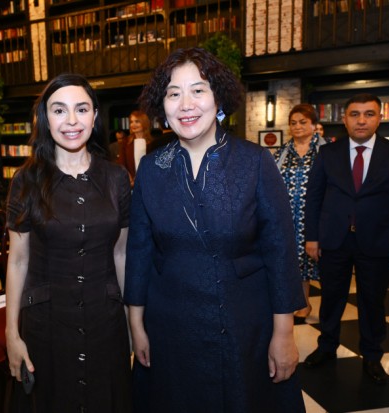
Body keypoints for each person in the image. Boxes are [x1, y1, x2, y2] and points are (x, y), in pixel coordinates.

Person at [124, 47, 306, 412]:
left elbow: (280, 251)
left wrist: (284, 332)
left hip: (243, 327)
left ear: (218, 97)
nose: (186, 104)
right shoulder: (151, 169)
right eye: (174, 94)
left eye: (198, 90)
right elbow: (139, 251)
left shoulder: (255, 162)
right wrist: (136, 325)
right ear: (163, 106)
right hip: (170, 328)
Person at [5, 73, 132, 412]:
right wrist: (11, 333)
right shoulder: (26, 180)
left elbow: (121, 253)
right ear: (45, 119)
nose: (72, 120)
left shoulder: (116, 178)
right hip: (47, 322)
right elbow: (18, 260)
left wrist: (132, 323)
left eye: (82, 109)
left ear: (95, 116)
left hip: (105, 320)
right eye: (59, 110)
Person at [304, 93, 389, 385]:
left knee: (373, 301)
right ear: (345, 119)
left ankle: (372, 355)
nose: (362, 120)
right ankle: (326, 346)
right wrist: (312, 237)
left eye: (369, 114)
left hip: (378, 240)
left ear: (380, 118)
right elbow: (314, 198)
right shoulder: (328, 153)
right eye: (355, 114)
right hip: (333, 240)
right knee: (331, 298)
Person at [273, 103, 326, 319]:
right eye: (293, 123)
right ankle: (303, 303)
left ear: (314, 124)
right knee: (295, 263)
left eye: (303, 122)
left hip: (317, 216)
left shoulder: (326, 151)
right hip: (288, 218)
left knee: (321, 263)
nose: (297, 126)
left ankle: (330, 309)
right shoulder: (282, 152)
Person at [117, 110, 152, 184]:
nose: (133, 124)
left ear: (144, 123)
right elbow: (121, 163)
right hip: (130, 183)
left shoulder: (152, 142)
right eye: (131, 122)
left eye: (137, 121)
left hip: (149, 181)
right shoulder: (125, 142)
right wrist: (129, 177)